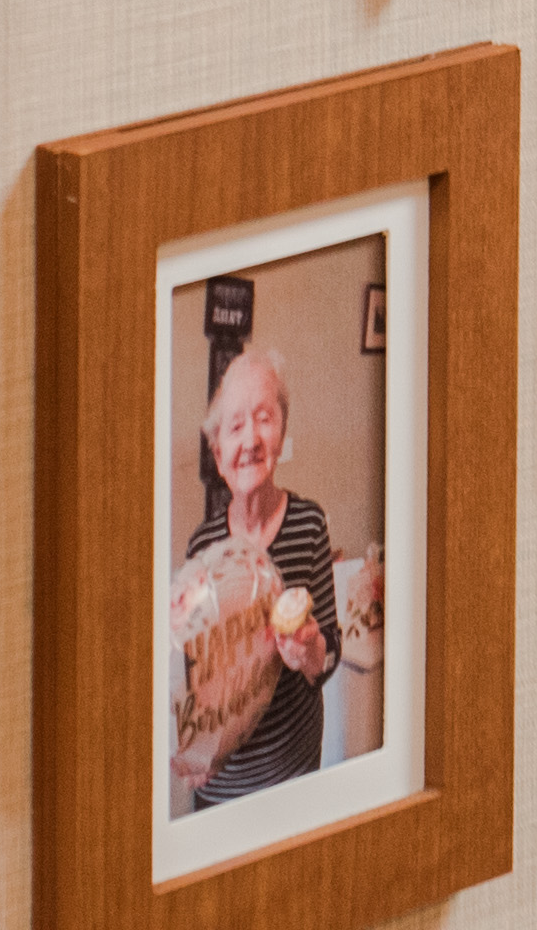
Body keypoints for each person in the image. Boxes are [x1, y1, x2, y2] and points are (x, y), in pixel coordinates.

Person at [174, 346, 342, 808]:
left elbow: (330, 649)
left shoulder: (309, 524)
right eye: (235, 426)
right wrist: (190, 750)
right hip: (221, 790)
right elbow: (192, 679)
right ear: (218, 452)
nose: (250, 439)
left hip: (293, 778)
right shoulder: (201, 549)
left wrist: (309, 651)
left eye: (264, 418)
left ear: (282, 431)